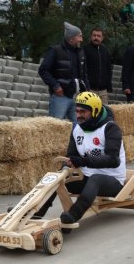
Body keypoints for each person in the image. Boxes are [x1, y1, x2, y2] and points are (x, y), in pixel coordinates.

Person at [35, 92, 126, 224]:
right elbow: (71, 155)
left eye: (83, 112)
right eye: (77, 111)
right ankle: (33, 212)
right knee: (55, 177)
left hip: (112, 180)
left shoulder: (110, 128)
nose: (78, 115)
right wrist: (65, 168)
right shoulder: (77, 128)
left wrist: (84, 161)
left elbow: (113, 160)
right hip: (86, 177)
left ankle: (73, 215)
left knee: (96, 179)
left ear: (94, 111)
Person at [38, 22, 89, 122]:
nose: (81, 40)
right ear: (71, 39)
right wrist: (56, 86)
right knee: (55, 126)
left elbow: (84, 74)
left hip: (77, 97)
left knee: (79, 126)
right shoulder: (55, 50)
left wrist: (87, 90)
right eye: (79, 37)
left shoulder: (81, 52)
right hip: (60, 97)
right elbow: (43, 70)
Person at [82, 27, 113, 105]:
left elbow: (108, 69)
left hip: (103, 91)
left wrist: (109, 86)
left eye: (98, 36)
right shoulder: (85, 50)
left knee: (104, 114)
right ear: (91, 36)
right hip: (89, 89)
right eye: (94, 35)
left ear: (102, 38)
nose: (96, 37)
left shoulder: (105, 51)